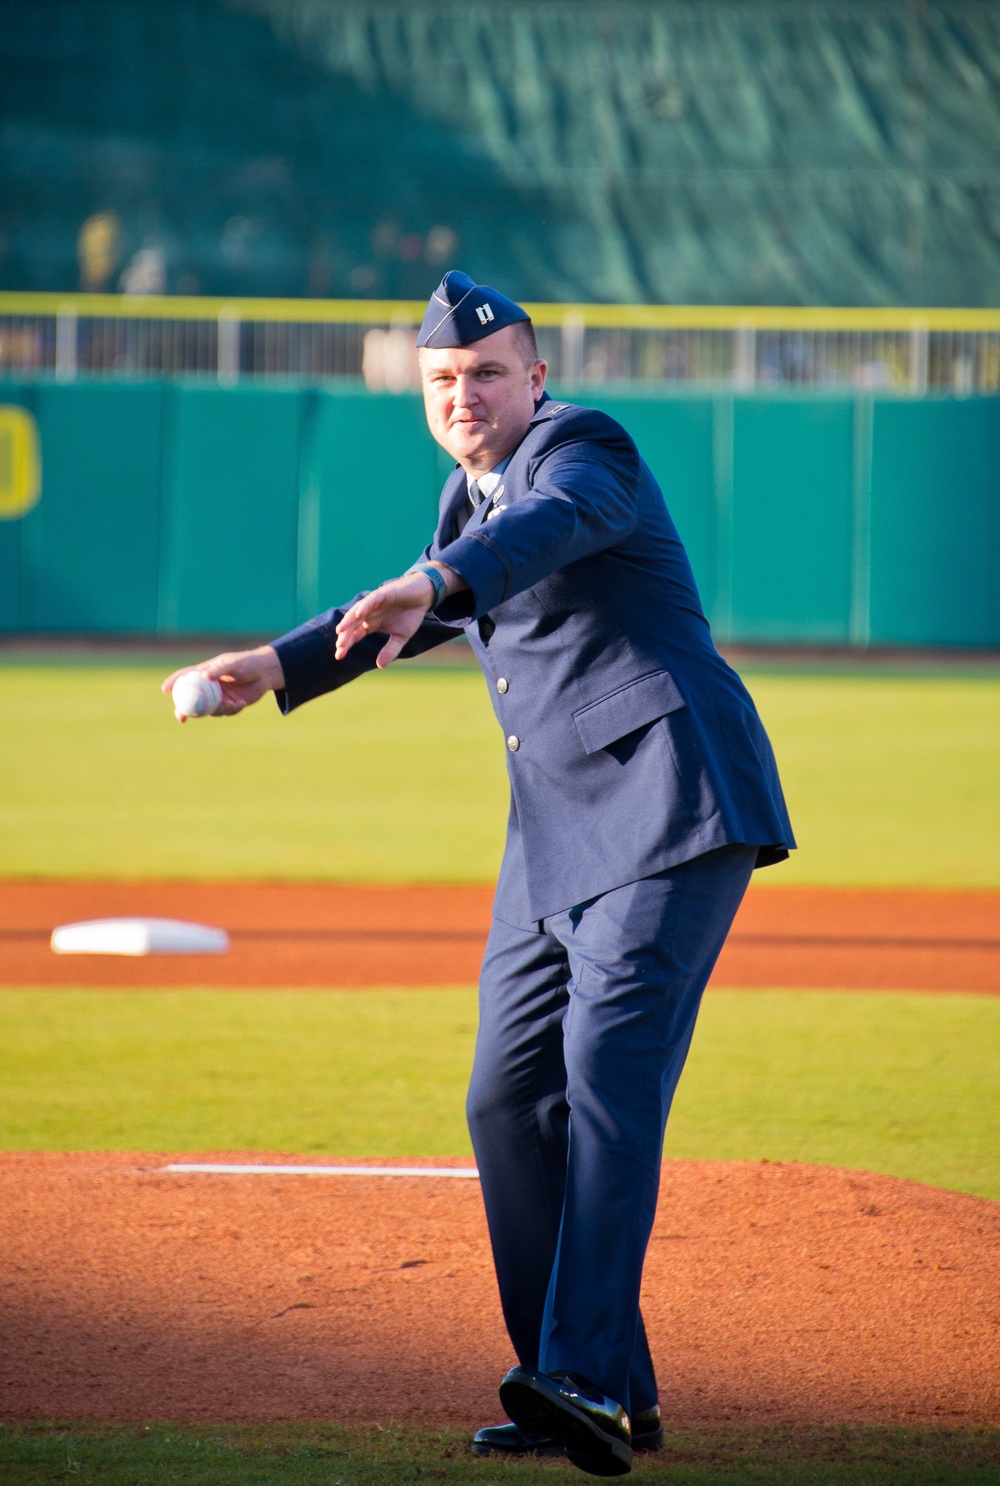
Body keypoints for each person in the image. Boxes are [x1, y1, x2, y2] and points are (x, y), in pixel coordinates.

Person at [162, 271, 794, 1479]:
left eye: (488, 371)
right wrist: (274, 665)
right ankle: (596, 1387)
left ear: (536, 378)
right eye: (443, 380)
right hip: (557, 834)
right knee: (506, 1102)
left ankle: (586, 1378)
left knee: (606, 1079)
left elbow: (533, 538)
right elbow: (413, 603)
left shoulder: (581, 450)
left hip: (673, 804)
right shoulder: (464, 500)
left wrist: (439, 582)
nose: (465, 393)